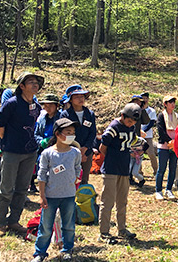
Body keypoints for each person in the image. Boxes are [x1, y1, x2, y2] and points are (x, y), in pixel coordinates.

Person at [0, 72, 44, 237]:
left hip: (30, 153)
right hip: (12, 152)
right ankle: (0, 223)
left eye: (36, 82)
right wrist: (8, 140)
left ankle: (14, 221)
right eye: (31, 82)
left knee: (22, 189)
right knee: (6, 188)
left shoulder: (36, 106)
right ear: (22, 86)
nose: (35, 84)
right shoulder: (12, 104)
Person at [30, 118, 82, 262]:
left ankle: (67, 250)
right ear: (58, 134)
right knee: (45, 226)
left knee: (68, 225)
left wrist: (76, 180)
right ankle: (40, 253)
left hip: (69, 195)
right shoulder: (48, 154)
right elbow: (42, 175)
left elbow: (78, 169)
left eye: (73, 132)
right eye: (68, 132)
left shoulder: (75, 153)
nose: (72, 135)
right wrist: (42, 195)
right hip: (51, 196)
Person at [98, 103, 140, 242]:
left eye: (133, 122)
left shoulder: (131, 128)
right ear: (122, 116)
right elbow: (102, 147)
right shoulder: (114, 127)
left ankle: (121, 229)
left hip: (124, 168)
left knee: (122, 201)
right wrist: (111, 159)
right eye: (129, 121)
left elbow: (132, 141)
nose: (130, 124)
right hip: (111, 169)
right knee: (107, 201)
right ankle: (104, 232)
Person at [60, 85, 96, 185]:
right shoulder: (65, 114)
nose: (80, 99)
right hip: (69, 151)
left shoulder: (89, 114)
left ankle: (83, 199)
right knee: (69, 177)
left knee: (84, 179)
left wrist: (84, 149)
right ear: (70, 100)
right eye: (76, 97)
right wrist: (76, 150)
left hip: (87, 151)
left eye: (82, 96)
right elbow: (64, 134)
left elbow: (92, 132)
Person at [155, 96, 178, 201]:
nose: (172, 104)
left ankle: (168, 189)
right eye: (170, 102)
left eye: (173, 102)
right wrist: (169, 140)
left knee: (173, 169)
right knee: (162, 169)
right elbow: (161, 130)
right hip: (164, 146)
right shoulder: (161, 116)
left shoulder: (176, 116)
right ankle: (158, 190)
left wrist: (175, 142)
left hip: (174, 146)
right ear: (165, 104)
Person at [141, 92, 158, 176]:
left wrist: (143, 131)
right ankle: (139, 172)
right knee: (138, 154)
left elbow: (151, 123)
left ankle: (156, 171)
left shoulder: (151, 111)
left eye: (146, 98)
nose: (144, 100)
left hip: (148, 135)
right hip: (138, 135)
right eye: (143, 98)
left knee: (151, 153)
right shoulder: (137, 110)